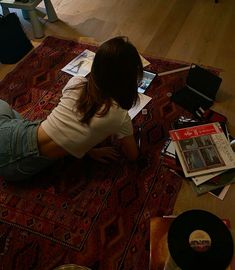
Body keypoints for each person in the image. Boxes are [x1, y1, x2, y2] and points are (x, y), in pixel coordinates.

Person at [0, 36, 143, 182]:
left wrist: (89, 150)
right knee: (6, 111)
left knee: (4, 107)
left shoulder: (76, 82)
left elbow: (70, 124)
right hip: (16, 170)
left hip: (14, 135)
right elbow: (133, 156)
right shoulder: (119, 116)